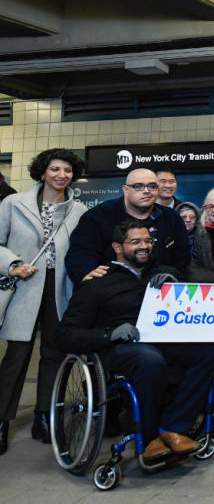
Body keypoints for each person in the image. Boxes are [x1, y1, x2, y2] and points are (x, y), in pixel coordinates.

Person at [56, 220, 214, 462]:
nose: (144, 246)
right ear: (117, 247)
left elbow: (188, 298)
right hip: (119, 348)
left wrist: (174, 284)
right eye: (135, 242)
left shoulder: (162, 274)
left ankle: (174, 427)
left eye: (147, 241)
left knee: (208, 351)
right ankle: (149, 437)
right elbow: (65, 335)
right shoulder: (98, 284)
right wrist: (110, 334)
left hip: (161, 342)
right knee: (149, 360)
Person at [0, 149, 87, 455]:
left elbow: (82, 250)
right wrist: (12, 264)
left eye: (67, 170)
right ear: (43, 171)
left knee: (54, 353)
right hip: (24, 286)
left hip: (60, 287)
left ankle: (45, 416)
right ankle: (1, 420)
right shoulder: (14, 203)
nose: (62, 175)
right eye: (55, 169)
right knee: (16, 355)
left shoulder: (79, 210)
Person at [65, 168, 190, 285]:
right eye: (138, 186)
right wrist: (85, 272)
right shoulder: (98, 216)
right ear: (125, 189)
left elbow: (182, 256)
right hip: (111, 290)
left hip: (158, 289)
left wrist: (172, 278)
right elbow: (81, 251)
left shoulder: (171, 217)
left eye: (152, 186)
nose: (146, 191)